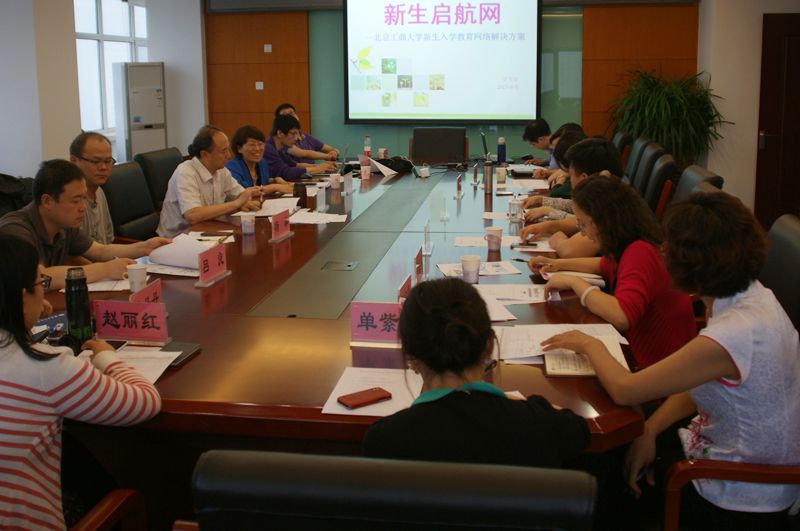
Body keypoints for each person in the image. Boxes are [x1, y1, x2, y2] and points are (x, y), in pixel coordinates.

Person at [541, 191, 800, 528]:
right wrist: (651, 429)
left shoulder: (734, 332)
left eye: (669, 248)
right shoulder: (749, 297)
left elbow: (625, 389)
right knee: (615, 437)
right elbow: (700, 381)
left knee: (595, 464)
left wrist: (587, 344)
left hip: (737, 493)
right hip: (723, 448)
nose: (662, 254)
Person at [0, 236, 161, 529]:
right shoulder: (44, 368)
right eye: (41, 283)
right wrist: (108, 358)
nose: (43, 291)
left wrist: (24, 320)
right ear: (22, 298)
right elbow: (145, 402)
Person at [363, 278, 589, 467]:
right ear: (488, 346)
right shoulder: (541, 425)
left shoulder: (383, 441)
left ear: (411, 358)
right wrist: (529, 404)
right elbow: (579, 430)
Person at [530, 175, 695, 368]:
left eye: (583, 224)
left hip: (653, 366)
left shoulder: (640, 252)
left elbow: (621, 316)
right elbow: (603, 265)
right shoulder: (630, 243)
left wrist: (574, 282)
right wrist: (556, 264)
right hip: (638, 354)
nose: (582, 232)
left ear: (604, 221)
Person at [0, 160, 170, 290]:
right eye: (75, 200)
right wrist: (105, 270)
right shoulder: (14, 231)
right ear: (47, 201)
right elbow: (40, 276)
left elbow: (99, 251)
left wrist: (144, 247)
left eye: (83, 198)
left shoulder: (63, 223)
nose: (82, 207)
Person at [521, 137, 622, 258]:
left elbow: (569, 250)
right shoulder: (613, 193)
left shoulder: (609, 209)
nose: (569, 180)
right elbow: (576, 220)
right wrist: (547, 220)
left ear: (584, 179)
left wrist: (558, 239)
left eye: (570, 175)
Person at [157, 125, 262, 238]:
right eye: (224, 151)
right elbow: (192, 215)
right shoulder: (186, 172)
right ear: (204, 155)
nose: (229, 156)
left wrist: (245, 202)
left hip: (209, 229)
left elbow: (240, 194)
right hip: (178, 237)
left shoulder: (221, 170)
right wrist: (236, 203)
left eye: (228, 149)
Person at [69, 132, 114, 244]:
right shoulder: (68, 200)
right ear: (74, 161)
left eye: (108, 161)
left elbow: (108, 240)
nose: (103, 167)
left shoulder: (99, 191)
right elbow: (74, 251)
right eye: (95, 161)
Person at [263, 114, 336, 181]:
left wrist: (320, 166)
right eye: (293, 133)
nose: (296, 138)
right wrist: (316, 169)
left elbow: (295, 165)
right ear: (280, 133)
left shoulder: (281, 148)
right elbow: (285, 172)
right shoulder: (268, 148)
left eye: (297, 134)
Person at [225, 124, 293, 195]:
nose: (257, 149)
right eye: (252, 145)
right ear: (239, 148)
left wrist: (275, 180)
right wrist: (275, 187)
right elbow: (242, 192)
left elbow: (261, 184)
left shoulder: (262, 163)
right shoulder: (231, 167)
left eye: (260, 144)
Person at [274, 103, 339, 164]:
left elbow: (332, 149)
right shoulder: (283, 139)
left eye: (292, 113)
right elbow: (303, 154)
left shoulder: (306, 136)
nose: (290, 117)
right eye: (285, 116)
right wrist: (327, 157)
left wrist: (334, 152)